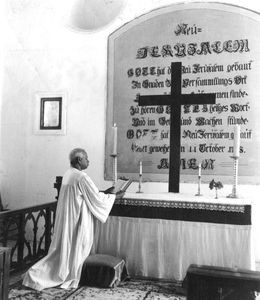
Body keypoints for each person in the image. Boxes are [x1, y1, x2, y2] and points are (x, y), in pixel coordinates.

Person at [23, 148, 123, 291]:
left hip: (69, 218)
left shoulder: (69, 173)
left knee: (65, 250)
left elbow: (89, 193)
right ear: (78, 160)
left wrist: (106, 193)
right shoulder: (81, 177)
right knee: (75, 248)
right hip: (77, 220)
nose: (89, 161)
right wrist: (115, 196)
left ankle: (38, 273)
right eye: (86, 158)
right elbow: (95, 198)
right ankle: (43, 275)